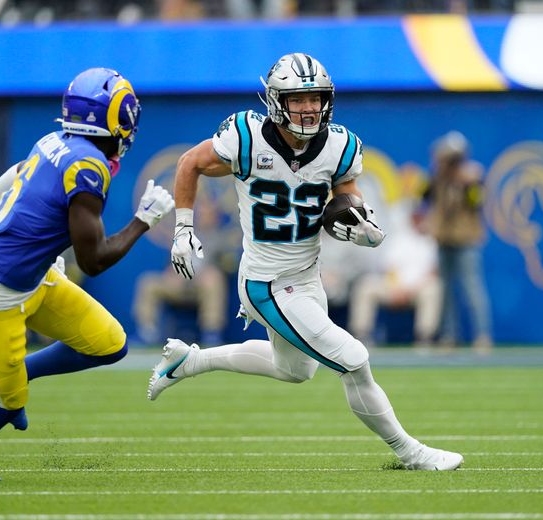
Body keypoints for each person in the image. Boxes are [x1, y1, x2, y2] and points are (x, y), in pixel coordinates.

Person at [149, 53, 463, 470]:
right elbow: (190, 163)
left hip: (306, 274)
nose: (310, 107)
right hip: (266, 281)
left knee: (295, 370)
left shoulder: (338, 145)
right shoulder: (246, 136)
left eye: (316, 98)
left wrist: (361, 225)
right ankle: (410, 452)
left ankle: (190, 362)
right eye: (299, 99)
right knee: (354, 359)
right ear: (277, 100)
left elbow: (346, 201)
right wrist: (183, 228)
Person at [0, 67, 174, 481]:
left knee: (109, 344)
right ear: (111, 119)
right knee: (5, 406)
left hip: (36, 277)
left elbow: (1, 188)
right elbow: (93, 260)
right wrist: (143, 220)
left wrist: (33, 244)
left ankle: (19, 371)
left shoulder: (54, 140)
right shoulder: (87, 166)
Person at [422, 130, 492, 351]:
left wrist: (471, 183)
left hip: (466, 240)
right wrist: (439, 171)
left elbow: (477, 203)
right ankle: (449, 335)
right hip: (444, 239)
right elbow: (423, 197)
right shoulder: (438, 179)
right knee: (445, 292)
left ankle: (482, 336)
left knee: (472, 288)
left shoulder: (472, 178)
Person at [133, 197, 231, 346]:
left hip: (202, 288)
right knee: (148, 281)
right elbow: (171, 262)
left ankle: (212, 333)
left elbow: (229, 265)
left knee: (214, 278)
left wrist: (212, 271)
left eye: (208, 213)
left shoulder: (221, 239)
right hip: (178, 285)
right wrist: (171, 273)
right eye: (201, 213)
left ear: (215, 216)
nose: (204, 216)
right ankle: (147, 332)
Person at [348, 204, 442, 348]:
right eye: (417, 217)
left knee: (433, 288)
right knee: (365, 286)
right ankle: (361, 336)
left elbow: (432, 272)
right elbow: (389, 268)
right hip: (393, 288)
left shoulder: (431, 241)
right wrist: (396, 288)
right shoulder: (400, 238)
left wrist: (410, 290)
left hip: (416, 290)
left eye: (423, 218)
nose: (420, 221)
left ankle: (425, 337)